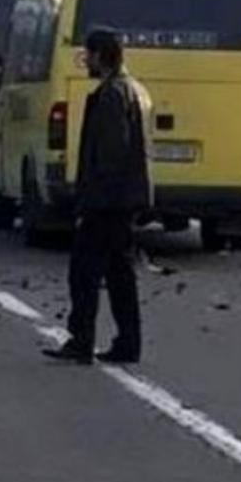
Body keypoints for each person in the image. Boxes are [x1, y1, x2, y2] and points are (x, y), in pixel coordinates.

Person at [43, 28, 152, 365]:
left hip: (107, 201)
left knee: (85, 271)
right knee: (120, 273)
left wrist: (91, 197)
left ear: (101, 55)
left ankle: (81, 340)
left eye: (88, 54)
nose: (84, 61)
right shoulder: (132, 89)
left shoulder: (110, 95)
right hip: (125, 199)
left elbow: (110, 151)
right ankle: (128, 343)